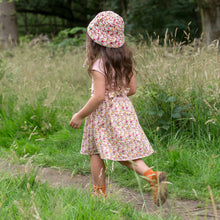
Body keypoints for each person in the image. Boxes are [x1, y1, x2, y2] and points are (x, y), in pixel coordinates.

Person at [69, 11, 168, 206]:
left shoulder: (99, 65)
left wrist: (79, 115)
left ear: (95, 41)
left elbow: (97, 97)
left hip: (104, 114)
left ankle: (99, 195)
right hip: (124, 111)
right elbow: (132, 90)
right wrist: (117, 95)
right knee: (126, 153)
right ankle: (152, 175)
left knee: (96, 152)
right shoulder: (124, 61)